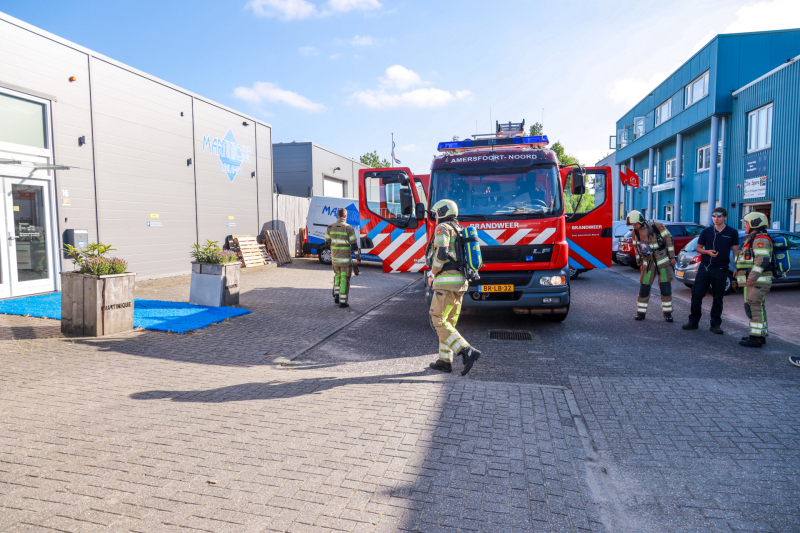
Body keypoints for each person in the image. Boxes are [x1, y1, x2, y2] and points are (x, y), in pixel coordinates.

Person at [427, 199, 482, 376]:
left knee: (438, 319)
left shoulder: (443, 228)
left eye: (437, 213)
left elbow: (441, 254)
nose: (435, 217)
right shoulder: (459, 229)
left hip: (446, 282)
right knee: (448, 322)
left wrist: (433, 271)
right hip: (460, 283)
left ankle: (466, 350)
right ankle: (445, 361)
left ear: (443, 212)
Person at [683, 208, 739, 334]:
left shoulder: (732, 232)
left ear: (725, 217)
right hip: (704, 268)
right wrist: (707, 252)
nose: (716, 218)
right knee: (696, 294)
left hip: (721, 269)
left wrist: (738, 267)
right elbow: (698, 248)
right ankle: (693, 322)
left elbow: (736, 251)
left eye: (719, 216)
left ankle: (715, 324)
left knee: (718, 297)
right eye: (713, 216)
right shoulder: (706, 231)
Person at [627, 210, 676, 322]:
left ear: (641, 220)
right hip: (647, 263)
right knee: (644, 288)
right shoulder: (635, 232)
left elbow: (669, 238)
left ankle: (667, 313)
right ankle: (641, 313)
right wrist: (639, 263)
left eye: (635, 224)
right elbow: (636, 248)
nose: (635, 226)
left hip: (662, 261)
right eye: (633, 225)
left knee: (665, 288)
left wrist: (672, 257)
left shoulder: (656, 226)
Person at [735, 212, 772, 348]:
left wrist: (751, 277)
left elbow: (762, 260)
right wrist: (737, 271)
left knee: (754, 307)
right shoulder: (752, 238)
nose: (745, 225)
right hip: (754, 280)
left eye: (746, 223)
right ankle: (759, 335)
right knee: (756, 307)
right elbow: (748, 259)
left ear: (754, 224)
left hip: (758, 281)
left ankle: (756, 338)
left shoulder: (760, 239)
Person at [325, 207, 360, 308]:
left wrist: (334, 249)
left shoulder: (330, 227)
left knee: (337, 276)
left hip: (335, 259)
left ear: (337, 215)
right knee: (344, 278)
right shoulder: (349, 228)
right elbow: (354, 245)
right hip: (345, 260)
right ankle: (343, 301)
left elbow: (327, 241)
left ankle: (336, 295)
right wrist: (358, 258)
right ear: (345, 216)